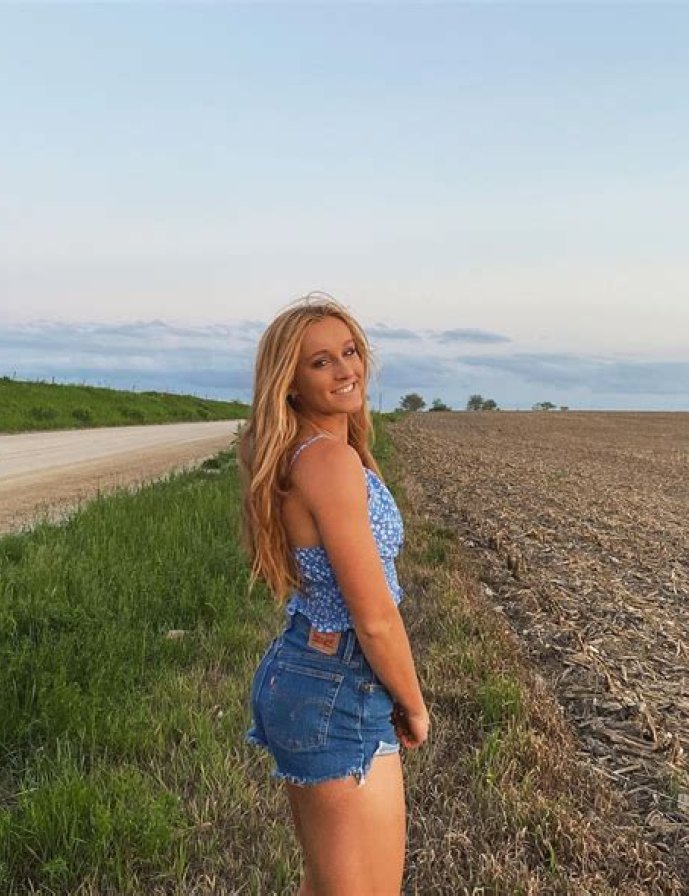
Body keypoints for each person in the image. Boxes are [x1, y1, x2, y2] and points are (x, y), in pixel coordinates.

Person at [237, 292, 429, 895]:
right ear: (290, 383)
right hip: (338, 683)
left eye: (349, 352)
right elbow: (374, 618)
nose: (345, 369)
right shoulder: (329, 461)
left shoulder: (307, 453)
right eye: (321, 361)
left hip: (307, 668)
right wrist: (414, 703)